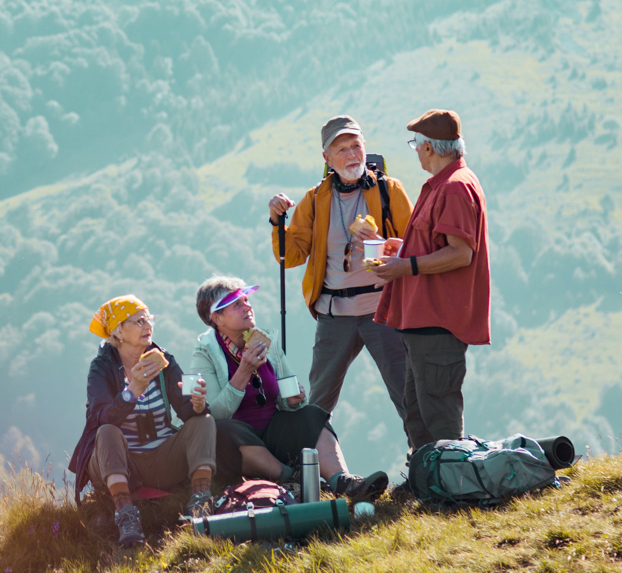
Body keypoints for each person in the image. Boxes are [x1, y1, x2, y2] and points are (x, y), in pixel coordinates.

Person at [186, 276, 389, 502]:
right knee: (225, 431)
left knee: (312, 414)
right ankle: (293, 479)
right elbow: (212, 415)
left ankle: (343, 482)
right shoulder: (205, 352)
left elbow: (286, 394)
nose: (247, 306)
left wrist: (294, 401)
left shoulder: (265, 341)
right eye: (237, 304)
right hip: (239, 443)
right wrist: (243, 372)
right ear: (217, 317)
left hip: (273, 431)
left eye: (246, 299)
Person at [267, 116, 415, 421]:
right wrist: (276, 220)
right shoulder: (314, 200)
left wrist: (381, 243)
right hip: (334, 314)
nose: (351, 155)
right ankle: (313, 466)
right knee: (318, 404)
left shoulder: (389, 190)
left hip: (383, 309)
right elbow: (290, 257)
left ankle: (426, 460)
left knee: (407, 397)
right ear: (327, 158)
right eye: (342, 149)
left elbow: (416, 250)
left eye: (355, 146)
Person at [369, 109, 493, 450]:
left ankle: (453, 486)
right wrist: (403, 249)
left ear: (429, 148)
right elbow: (438, 245)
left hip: (439, 320)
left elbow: (460, 253)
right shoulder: (443, 184)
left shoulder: (454, 188)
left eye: (416, 145)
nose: (416, 151)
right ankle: (426, 481)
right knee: (417, 411)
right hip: (421, 319)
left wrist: (404, 266)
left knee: (438, 412)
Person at [67, 295, 218, 547]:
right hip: (123, 464)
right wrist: (133, 389)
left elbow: (185, 410)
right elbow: (101, 417)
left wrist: (198, 405)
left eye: (149, 320)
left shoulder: (163, 360)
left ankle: (200, 501)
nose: (148, 326)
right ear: (118, 332)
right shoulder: (101, 368)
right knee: (106, 431)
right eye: (138, 321)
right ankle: (126, 514)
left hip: (162, 458)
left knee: (204, 421)